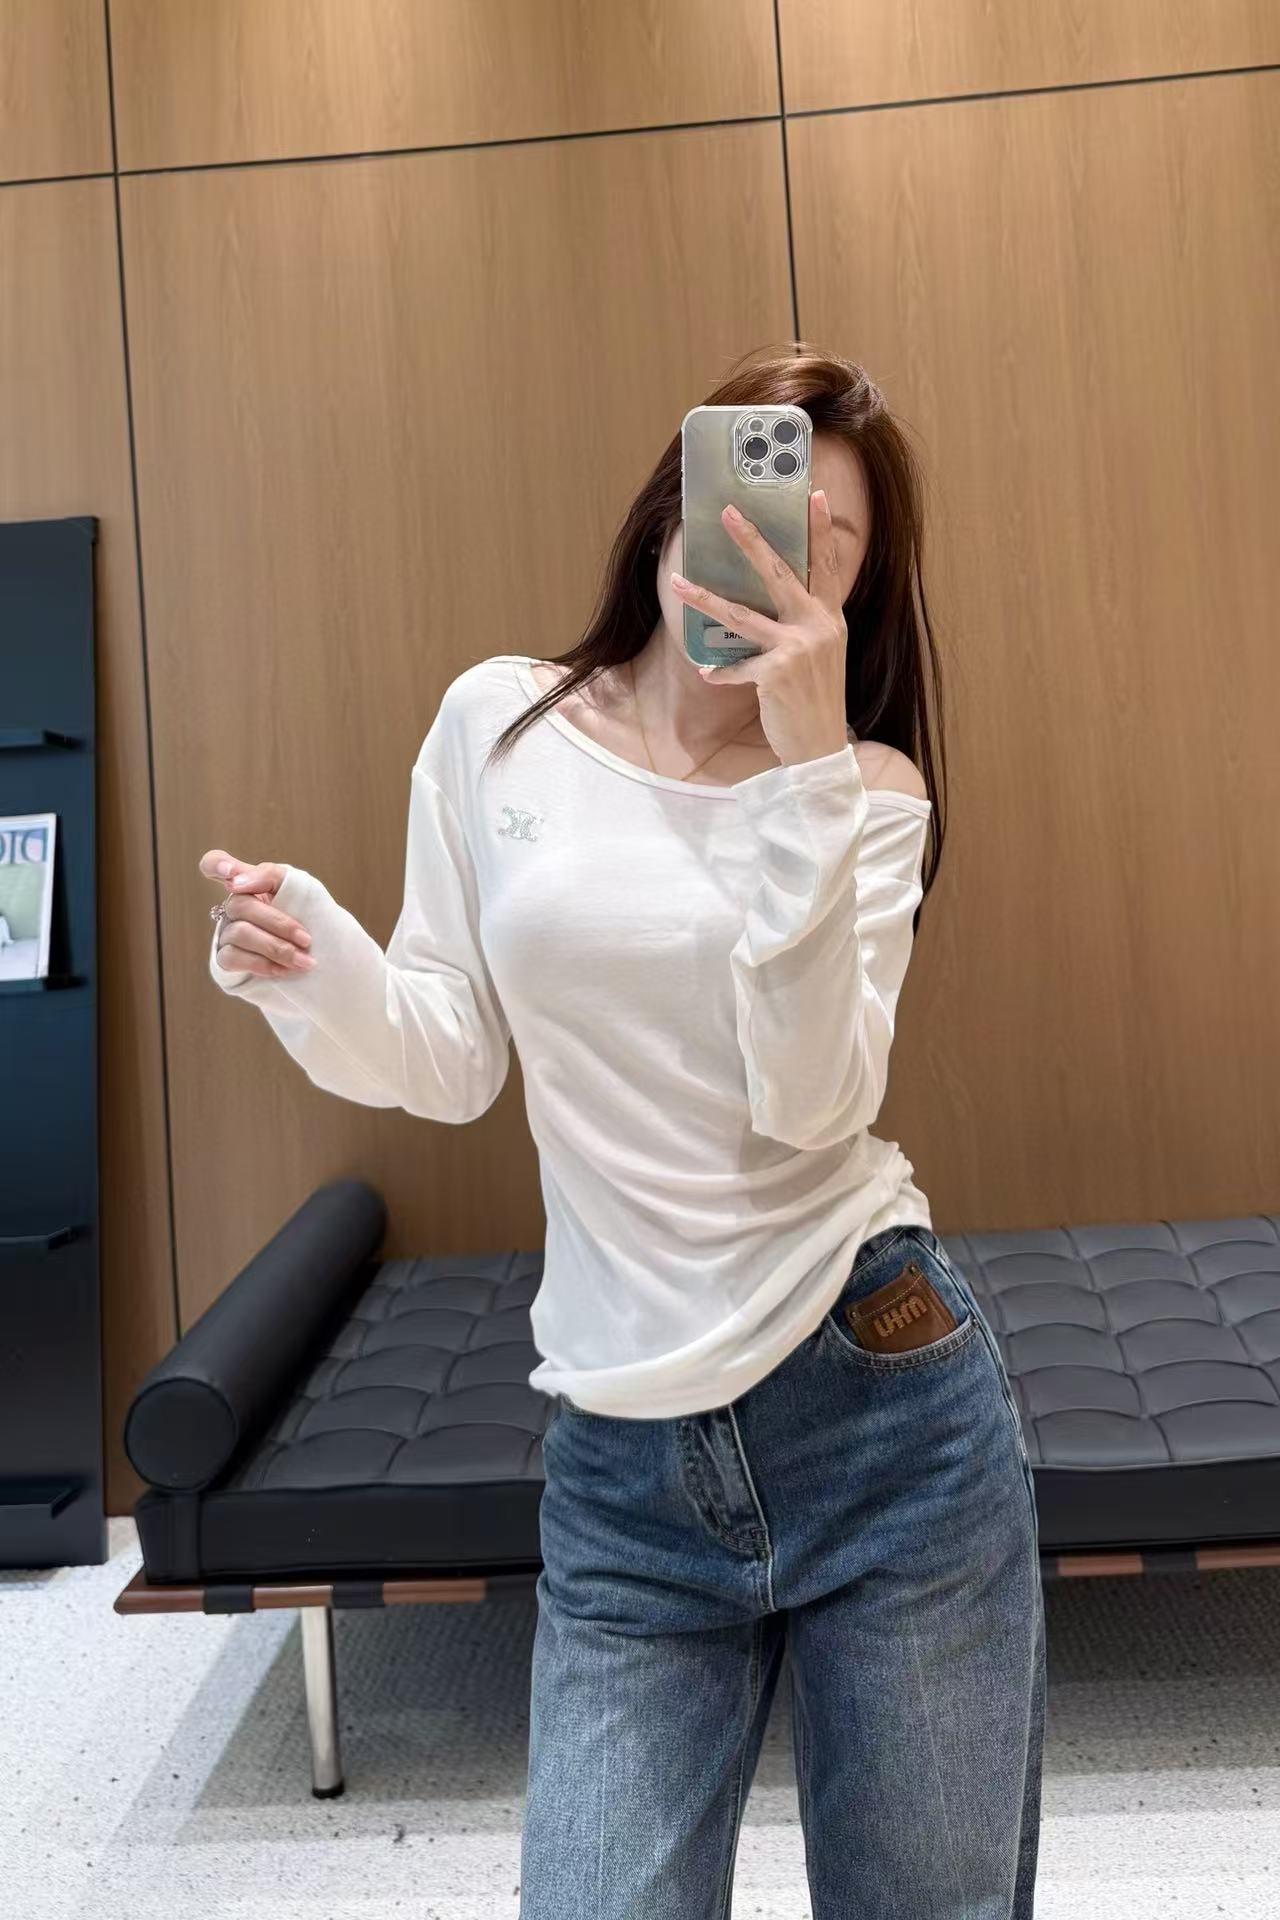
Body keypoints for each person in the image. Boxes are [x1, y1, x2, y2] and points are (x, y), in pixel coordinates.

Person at [202, 342, 1044, 1919]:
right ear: (674, 509)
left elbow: (814, 1102)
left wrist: (806, 775)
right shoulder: (500, 723)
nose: (770, 559)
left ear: (853, 603)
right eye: (751, 507)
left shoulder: (866, 792)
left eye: (823, 550)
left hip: (881, 1408)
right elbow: (451, 1051)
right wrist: (313, 962)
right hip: (622, 1463)